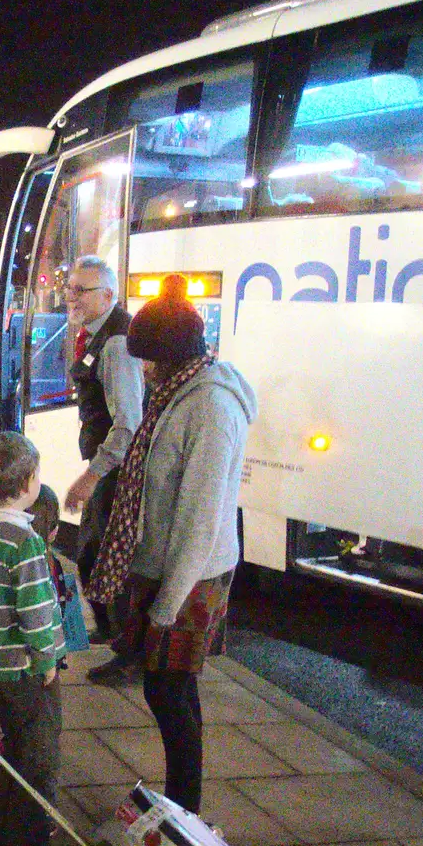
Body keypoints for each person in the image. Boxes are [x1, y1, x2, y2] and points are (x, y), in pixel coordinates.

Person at [87, 277, 257, 815]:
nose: (141, 369)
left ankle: (186, 807)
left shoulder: (210, 409)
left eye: (146, 359)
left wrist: (165, 606)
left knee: (171, 690)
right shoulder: (177, 394)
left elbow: (201, 521)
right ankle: (183, 802)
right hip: (169, 565)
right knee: (170, 689)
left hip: (192, 574)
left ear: (169, 356)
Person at [0, 433, 66, 846]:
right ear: (28, 482)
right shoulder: (25, 541)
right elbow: (34, 610)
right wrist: (47, 660)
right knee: (38, 763)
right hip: (25, 669)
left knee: (16, 755)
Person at [59, 255, 144, 666]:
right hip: (106, 463)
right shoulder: (97, 335)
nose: (70, 296)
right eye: (69, 287)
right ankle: (111, 629)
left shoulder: (115, 344)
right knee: (94, 550)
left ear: (108, 295)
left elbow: (128, 423)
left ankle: (129, 650)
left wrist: (91, 476)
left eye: (81, 290)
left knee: (109, 553)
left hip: (115, 468)